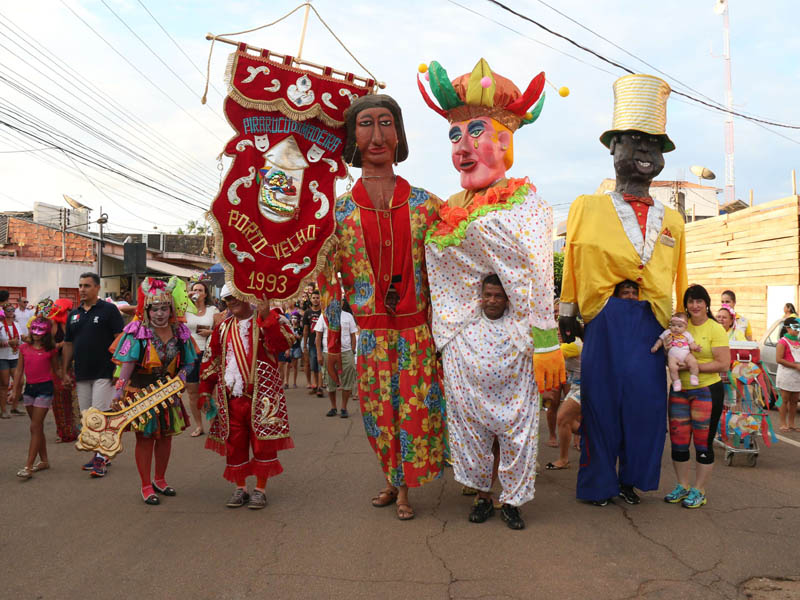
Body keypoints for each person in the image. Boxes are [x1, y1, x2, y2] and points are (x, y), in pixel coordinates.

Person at [559, 74, 688, 506]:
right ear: (613, 148)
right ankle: (597, 484)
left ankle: (632, 480)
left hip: (651, 325)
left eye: (654, 144)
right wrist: (566, 310)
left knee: (645, 408)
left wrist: (680, 323)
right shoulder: (586, 206)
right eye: (635, 140)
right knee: (598, 406)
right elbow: (573, 260)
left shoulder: (673, 220)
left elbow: (679, 276)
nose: (646, 151)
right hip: (603, 319)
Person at [319, 93, 446, 521]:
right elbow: (328, 283)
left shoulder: (429, 206)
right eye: (366, 124)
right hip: (371, 334)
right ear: (352, 136)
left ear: (400, 133)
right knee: (378, 414)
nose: (377, 135)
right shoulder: (337, 213)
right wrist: (333, 340)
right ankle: (393, 480)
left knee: (415, 411)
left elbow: (450, 277)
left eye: (386, 123)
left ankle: (405, 488)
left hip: (418, 332)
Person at [444, 275, 548, 529]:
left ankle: (512, 504)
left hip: (513, 404)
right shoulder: (464, 327)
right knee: (479, 449)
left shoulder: (521, 329)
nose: (492, 300)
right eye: (488, 295)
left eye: (498, 296)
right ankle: (483, 499)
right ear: (480, 297)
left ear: (507, 299)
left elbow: (541, 343)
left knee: (513, 450)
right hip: (475, 405)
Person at [198, 285, 295, 510]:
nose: (231, 302)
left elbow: (283, 344)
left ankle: (260, 489)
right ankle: (240, 487)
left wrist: (265, 316)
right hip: (231, 398)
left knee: (262, 443)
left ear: (247, 297)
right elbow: (210, 360)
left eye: (236, 297)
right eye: (227, 299)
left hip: (262, 397)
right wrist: (205, 389)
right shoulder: (222, 328)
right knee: (234, 443)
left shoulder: (269, 318)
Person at [110, 277, 197, 504]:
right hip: (142, 392)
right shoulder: (137, 330)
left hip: (169, 392)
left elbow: (189, 361)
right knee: (146, 438)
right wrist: (118, 391)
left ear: (171, 309)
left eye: (164, 308)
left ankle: (160, 479)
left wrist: (182, 376)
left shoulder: (180, 332)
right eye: (154, 308)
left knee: (166, 438)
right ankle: (146, 485)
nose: (160, 313)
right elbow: (127, 363)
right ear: (146, 309)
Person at [664, 284, 729, 509]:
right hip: (680, 391)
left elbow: (723, 364)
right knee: (679, 442)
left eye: (699, 301)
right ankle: (682, 486)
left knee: (703, 444)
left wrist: (694, 368)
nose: (695, 305)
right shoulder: (679, 326)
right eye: (690, 301)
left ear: (706, 303)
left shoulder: (715, 328)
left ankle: (699, 490)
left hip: (707, 391)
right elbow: (668, 351)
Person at [62, 272, 125, 477]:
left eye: (87, 285)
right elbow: (68, 344)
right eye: (80, 285)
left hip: (104, 371)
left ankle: (101, 459)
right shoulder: (74, 314)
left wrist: (119, 369)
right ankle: (101, 454)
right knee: (87, 418)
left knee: (99, 415)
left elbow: (120, 340)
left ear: (97, 288)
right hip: (81, 373)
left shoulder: (109, 310)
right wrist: (64, 370)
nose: (82, 289)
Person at [12, 317, 61, 479]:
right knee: (37, 428)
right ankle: (44, 461)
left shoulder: (50, 350)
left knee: (34, 426)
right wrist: (15, 392)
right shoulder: (24, 348)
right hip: (29, 390)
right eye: (34, 330)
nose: (36, 334)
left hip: (45, 389)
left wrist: (66, 379)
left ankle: (28, 466)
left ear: (46, 332)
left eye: (40, 331)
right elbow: (19, 371)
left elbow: (56, 370)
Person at [185, 280, 218, 438]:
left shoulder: (213, 310)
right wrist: (186, 297)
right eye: (194, 289)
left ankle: (213, 424)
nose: (196, 292)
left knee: (209, 391)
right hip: (190, 354)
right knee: (192, 392)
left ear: (205, 294)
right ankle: (199, 426)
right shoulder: (185, 309)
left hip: (207, 353)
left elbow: (221, 331)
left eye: (200, 290)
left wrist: (210, 333)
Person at [315, 301, 358, 418]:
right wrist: (319, 354)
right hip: (328, 353)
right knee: (330, 381)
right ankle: (333, 407)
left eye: (339, 300)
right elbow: (318, 336)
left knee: (348, 380)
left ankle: (344, 408)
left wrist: (352, 350)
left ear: (342, 302)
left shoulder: (348, 316)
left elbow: (353, 335)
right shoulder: (324, 315)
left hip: (345, 352)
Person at [48, 298, 79, 442]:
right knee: (59, 399)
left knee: (72, 399)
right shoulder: (52, 323)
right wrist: (61, 344)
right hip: (56, 364)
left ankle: (74, 430)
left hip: (71, 364)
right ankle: (63, 432)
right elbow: (47, 344)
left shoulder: (72, 322)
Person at [651, 312, 701, 391]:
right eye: (673, 325)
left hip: (686, 354)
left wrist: (696, 348)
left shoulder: (687, 334)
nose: (676, 328)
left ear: (685, 327)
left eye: (679, 326)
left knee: (693, 362)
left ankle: (694, 377)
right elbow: (660, 340)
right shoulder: (667, 332)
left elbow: (691, 344)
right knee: (672, 367)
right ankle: (676, 382)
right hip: (673, 356)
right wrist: (656, 346)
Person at [774, 317, 800, 432]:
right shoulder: (782, 342)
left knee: (794, 400)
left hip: (797, 375)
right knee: (784, 399)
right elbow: (779, 359)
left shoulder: (798, 342)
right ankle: (783, 423)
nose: (797, 330)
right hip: (786, 374)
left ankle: (792, 423)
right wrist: (795, 365)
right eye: (795, 327)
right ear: (788, 328)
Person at [0, 301, 22, 418]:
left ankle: (14, 407)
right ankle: (3, 410)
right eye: (8, 310)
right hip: (2, 357)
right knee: (4, 384)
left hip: (15, 356)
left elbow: (21, 339)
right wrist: (9, 342)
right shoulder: (0, 325)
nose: (11, 312)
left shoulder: (17, 324)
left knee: (19, 382)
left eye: (13, 310)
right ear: (4, 312)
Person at [303, 290, 322, 396]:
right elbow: (305, 329)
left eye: (317, 298)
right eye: (314, 298)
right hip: (311, 343)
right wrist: (305, 344)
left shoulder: (323, 312)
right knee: (313, 365)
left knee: (320, 365)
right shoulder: (307, 313)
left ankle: (320, 387)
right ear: (310, 299)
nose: (315, 300)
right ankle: (315, 386)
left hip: (322, 342)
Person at [284, 313, 302, 388]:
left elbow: (300, 337)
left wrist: (296, 336)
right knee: (287, 365)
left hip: (296, 347)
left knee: (295, 365)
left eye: (295, 318)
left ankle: (294, 382)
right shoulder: (288, 327)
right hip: (289, 347)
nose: (294, 319)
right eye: (292, 318)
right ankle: (286, 382)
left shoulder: (300, 328)